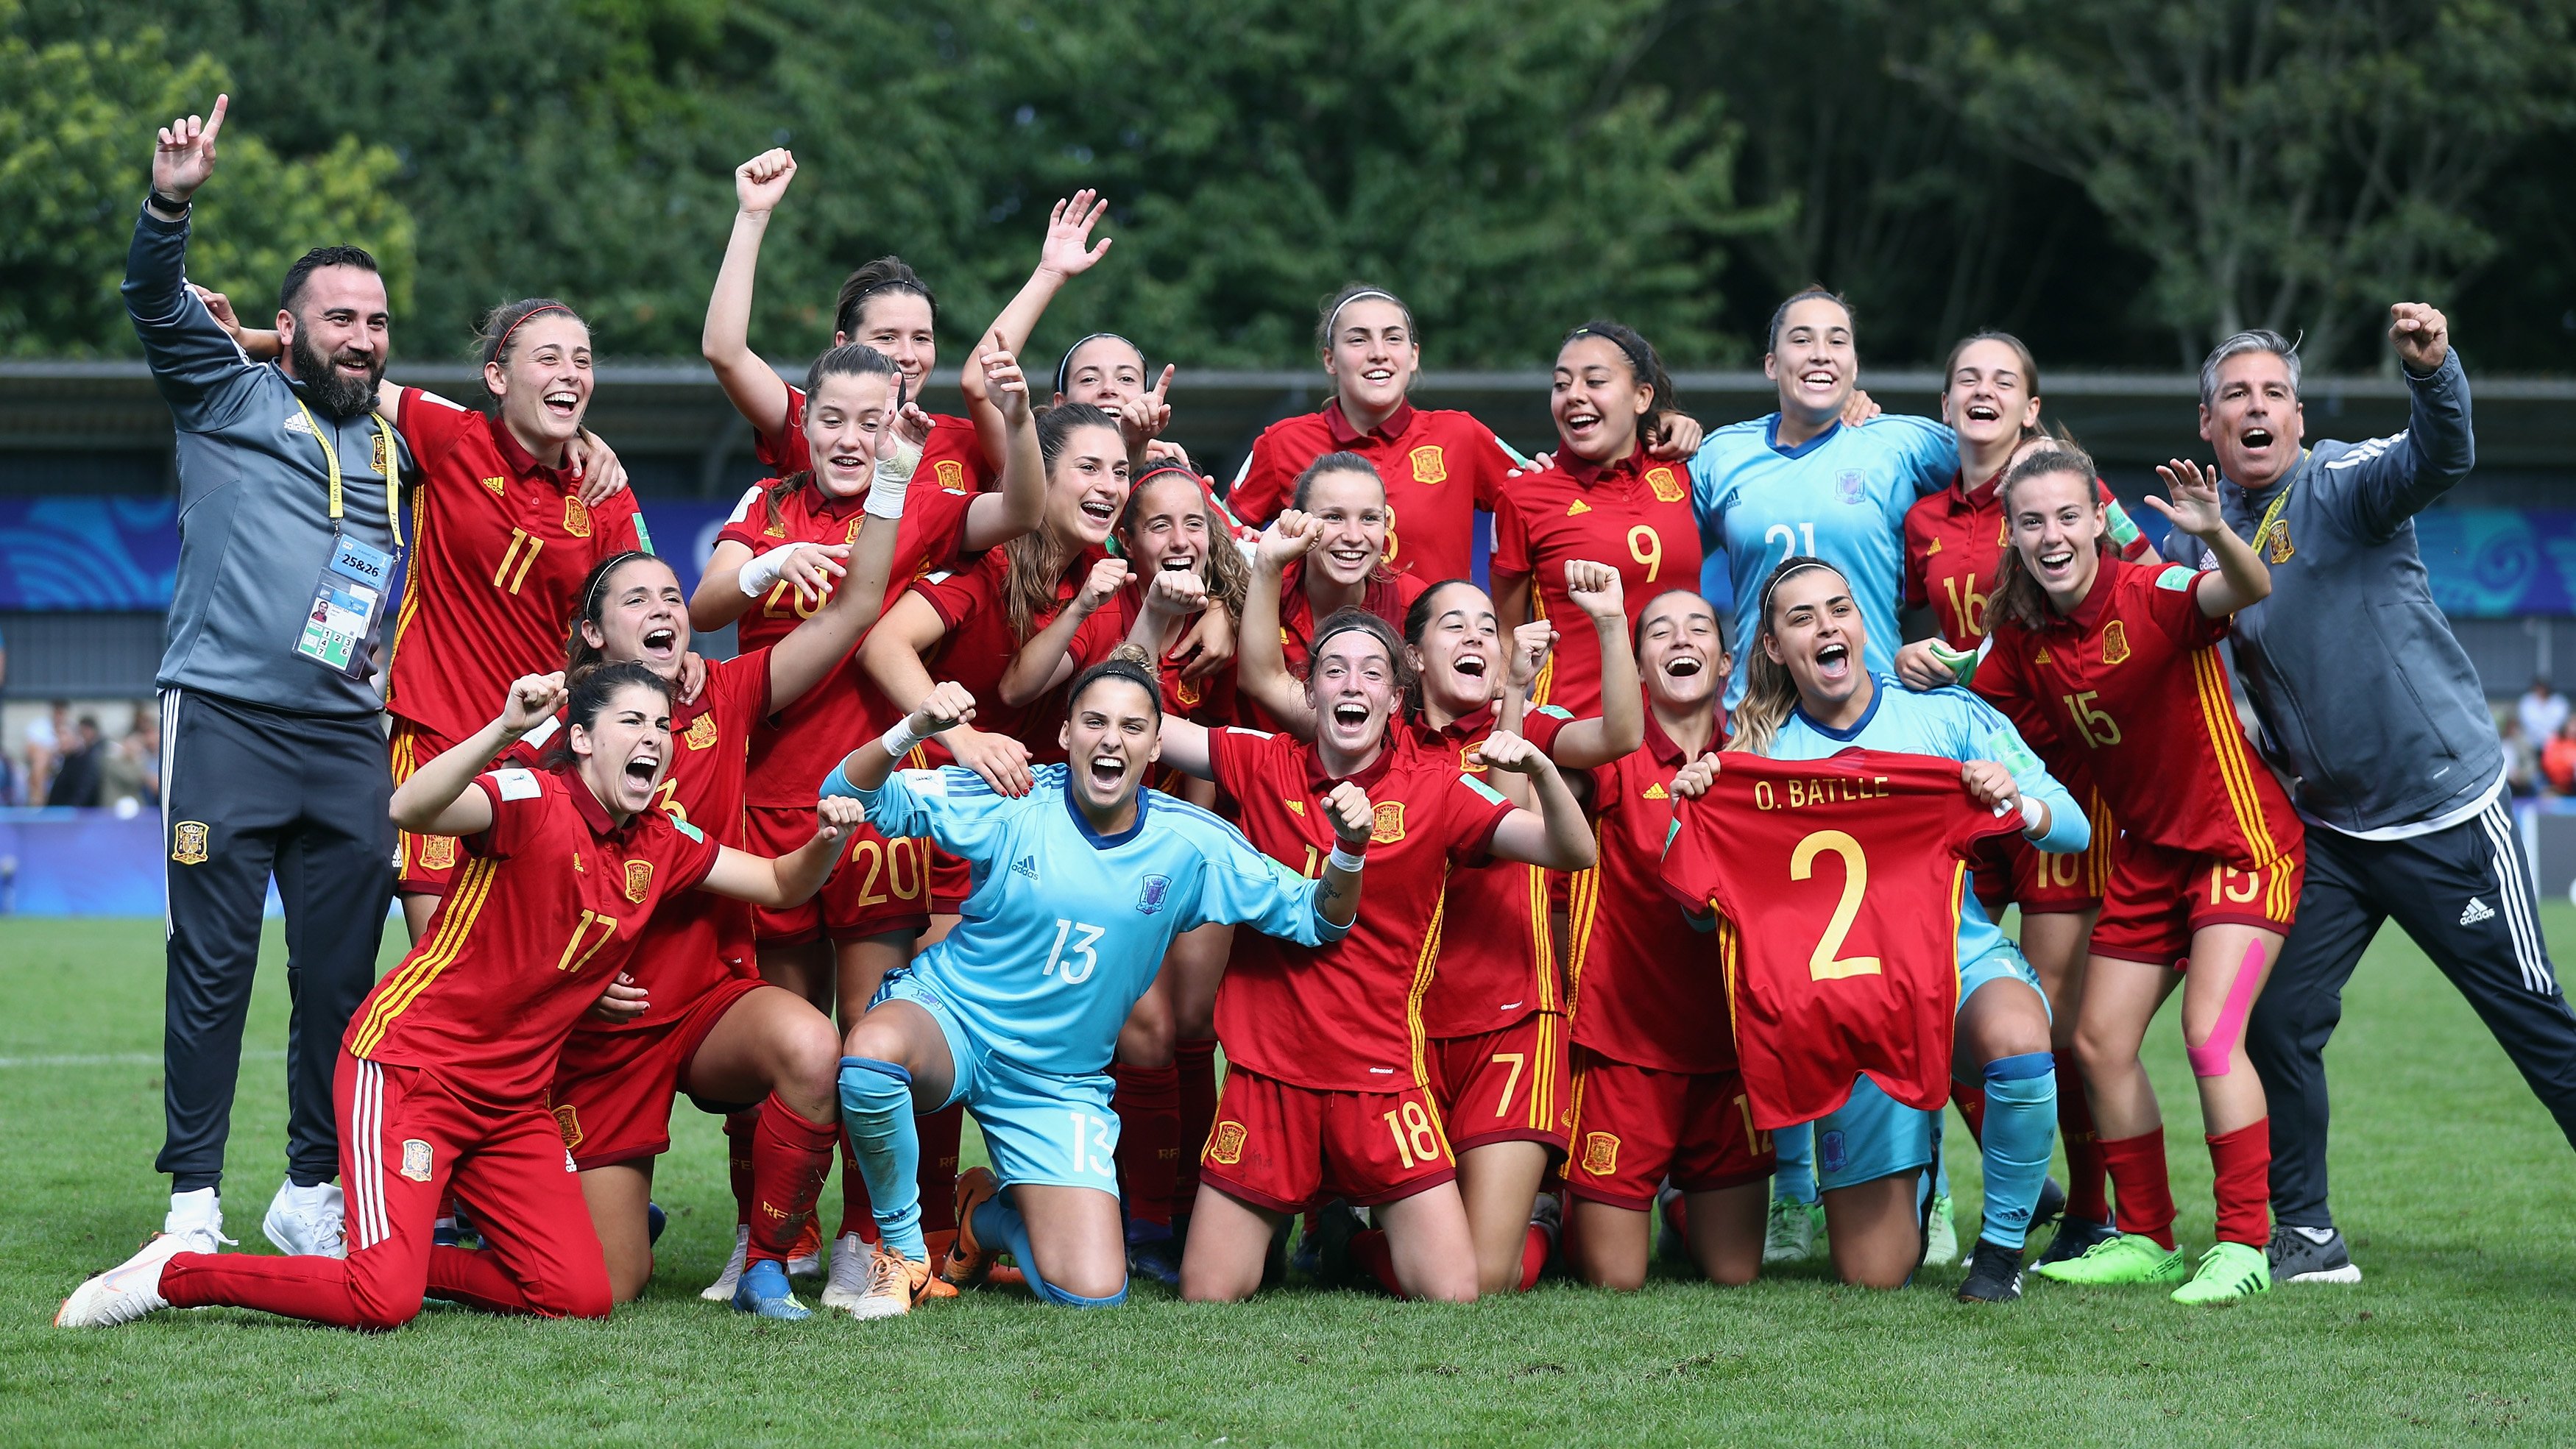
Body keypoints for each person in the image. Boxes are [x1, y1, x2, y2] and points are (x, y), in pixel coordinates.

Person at [57, 667, 862, 1331]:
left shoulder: (664, 841)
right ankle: (178, 1275)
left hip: (511, 1103)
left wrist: (825, 838)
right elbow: (410, 807)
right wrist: (504, 728)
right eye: (631, 720)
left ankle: (380, 1254)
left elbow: (781, 881)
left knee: (580, 1297)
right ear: (581, 739)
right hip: (410, 1071)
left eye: (661, 723)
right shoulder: (528, 797)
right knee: (383, 1302)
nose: (653, 735)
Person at [2154, 309, 2576, 1285]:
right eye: (2235, 397)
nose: (2256, 409)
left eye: (2272, 393)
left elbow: (2435, 458)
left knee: (2536, 1024)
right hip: (2333, 836)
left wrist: (2433, 376)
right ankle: (2306, 1233)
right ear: (2209, 425)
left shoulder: (2343, 482)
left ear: (2297, 416)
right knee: (2277, 1019)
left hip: (2445, 817)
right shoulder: (2214, 540)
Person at [820, 657, 1364, 1315]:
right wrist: (911, 731)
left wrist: (1351, 850)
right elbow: (858, 793)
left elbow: (1318, 917)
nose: (1112, 739)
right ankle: (905, 1253)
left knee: (1091, 1291)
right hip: (954, 1019)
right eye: (1095, 722)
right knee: (871, 1056)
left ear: (1157, 746)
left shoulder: (1192, 844)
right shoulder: (1012, 796)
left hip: (1058, 1081)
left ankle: (981, 1218)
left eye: (1133, 726)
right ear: (1068, 735)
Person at [688, 336, 1044, 1304]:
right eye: (830, 419)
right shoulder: (764, 506)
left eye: (870, 421)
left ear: (896, 424)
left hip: (886, 813)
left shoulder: (921, 502)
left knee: (870, 1038)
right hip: (772, 808)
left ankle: (867, 1241)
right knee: (782, 1039)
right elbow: (706, 599)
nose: (849, 438)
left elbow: (1023, 508)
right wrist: (767, 569)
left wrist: (1010, 412)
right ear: (802, 422)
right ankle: (768, 1236)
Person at [544, 394, 909, 1321]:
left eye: (676, 596)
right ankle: (535, 1203)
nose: (666, 609)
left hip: (705, 1003)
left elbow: (862, 601)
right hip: (600, 1030)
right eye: (638, 601)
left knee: (811, 1042)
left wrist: (893, 475)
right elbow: (508, 888)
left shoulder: (732, 690)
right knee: (601, 1285)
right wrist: (577, 972)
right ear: (593, 637)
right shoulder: (551, 733)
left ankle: (766, 1259)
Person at [121, 94, 406, 1264]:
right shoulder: (227, 394)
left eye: (379, 320)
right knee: (215, 966)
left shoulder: (395, 441)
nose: (363, 336)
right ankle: (193, 1198)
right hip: (228, 722)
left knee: (343, 978)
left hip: (348, 736)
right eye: (339, 317)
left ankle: (311, 1187)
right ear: (288, 330)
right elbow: (151, 300)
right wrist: (172, 201)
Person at [1667, 557, 2079, 1301]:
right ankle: (1919, 1162)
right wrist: (1691, 809)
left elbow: (2072, 829)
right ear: (1771, 648)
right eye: (1801, 618)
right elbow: (1695, 911)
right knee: (1870, 1272)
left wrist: (2012, 800)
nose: (1825, 626)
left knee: (2018, 1040)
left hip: (1954, 971)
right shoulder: (1755, 757)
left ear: (1862, 625)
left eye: (1838, 609)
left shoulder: (1943, 714)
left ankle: (1999, 1253)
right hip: (1847, 1016)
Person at [1240, 532, 1639, 1295]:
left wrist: (1607, 626)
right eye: (1453, 624)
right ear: (1411, 662)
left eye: (1487, 624)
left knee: (1481, 1273)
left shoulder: (1530, 724)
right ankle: (1339, 1219)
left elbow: (1617, 737)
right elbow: (1264, 677)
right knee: (1441, 1239)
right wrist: (1268, 566)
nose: (1478, 635)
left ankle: (1379, 1240)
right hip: (1404, 1024)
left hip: (1514, 1012)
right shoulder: (1375, 736)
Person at [1159, 611, 1596, 1303]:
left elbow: (1571, 851)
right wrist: (1155, 618)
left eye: (1372, 671)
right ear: (1310, 692)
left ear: (1397, 697)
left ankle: (1338, 1227)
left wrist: (1541, 767)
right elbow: (1132, 722)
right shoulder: (1262, 758)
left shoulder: (1438, 787)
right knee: (1209, 1294)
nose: (1351, 683)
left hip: (1382, 1077)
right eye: (1334, 669)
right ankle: (1279, 1220)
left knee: (1454, 1291)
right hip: (1269, 1076)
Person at [1963, 444, 2293, 1305]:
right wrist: (1926, 675)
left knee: (2209, 1035)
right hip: (2148, 856)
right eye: (2031, 521)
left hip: (2239, 843)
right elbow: (1975, 713)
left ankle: (2243, 1243)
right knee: (2096, 1042)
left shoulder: (2152, 592)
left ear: (2094, 522)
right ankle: (2146, 1236)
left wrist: (2215, 532)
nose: (2050, 535)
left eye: (2067, 516)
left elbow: (2247, 588)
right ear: (2012, 534)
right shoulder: (2022, 638)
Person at [1898, 339, 2153, 1265]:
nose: (1983, 392)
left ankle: (2090, 1210)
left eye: (2003, 380)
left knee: (2045, 1014)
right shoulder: (1922, 514)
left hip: (2053, 780)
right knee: (1926, 987)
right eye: (1966, 377)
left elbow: (2140, 586)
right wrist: (1901, 657)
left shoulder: (2070, 497)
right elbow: (1880, 621)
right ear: (1943, 402)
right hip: (1950, 781)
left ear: (2032, 408)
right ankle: (2024, 1182)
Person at [992, 460, 1248, 1280]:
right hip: (1098, 855)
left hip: (1190, 845)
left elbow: (1224, 747)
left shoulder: (1232, 624)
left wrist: (1196, 845)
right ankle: (1142, 1223)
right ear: (1125, 542)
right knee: (1141, 1028)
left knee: (1190, 1029)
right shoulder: (1104, 622)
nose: (1179, 539)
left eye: (1193, 522)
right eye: (1158, 525)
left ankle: (1189, 1210)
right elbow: (1027, 690)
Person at [1559, 589, 1772, 1291]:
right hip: (1626, 1047)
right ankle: (1554, 1203)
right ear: (1639, 668)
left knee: (1735, 1274)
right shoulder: (1612, 754)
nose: (1681, 639)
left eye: (1698, 628)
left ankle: (1681, 1198)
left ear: (1725, 661)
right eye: (1660, 631)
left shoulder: (1760, 759)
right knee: (1613, 1281)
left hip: (1728, 1053)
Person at [1688, 288, 1954, 710]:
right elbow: (1654, 540)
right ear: (1772, 365)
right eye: (1801, 339)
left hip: (1876, 713)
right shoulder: (1719, 456)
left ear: (1854, 366)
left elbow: (2007, 466)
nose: (1820, 353)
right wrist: (1653, 425)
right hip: (1758, 720)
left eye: (1837, 340)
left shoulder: (1899, 443)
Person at [1228, 286, 1534, 583]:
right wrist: (1253, 547)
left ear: (1414, 356)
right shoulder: (1283, 442)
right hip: (1324, 636)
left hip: (1435, 635)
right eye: (1359, 339)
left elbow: (1539, 499)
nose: (1378, 353)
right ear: (1330, 359)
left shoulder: (1461, 435)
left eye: (1393, 338)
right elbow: (1221, 526)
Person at [1491, 322, 1702, 720]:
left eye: (1595, 381)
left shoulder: (1683, 469)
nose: (1574, 396)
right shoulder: (1524, 496)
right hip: (1579, 734)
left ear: (1642, 396)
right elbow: (1508, 637)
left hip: (1682, 735)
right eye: (1561, 384)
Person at [43, 715, 103, 808]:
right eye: (57, 735)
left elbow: (81, 798)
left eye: (63, 734)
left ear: (76, 736)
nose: (59, 739)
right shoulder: (64, 762)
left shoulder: (84, 763)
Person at [2518, 676, 2569, 750]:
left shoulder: (2559, 702)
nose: (2541, 690)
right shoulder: (2527, 702)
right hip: (2531, 740)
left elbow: (2559, 724)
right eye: (2539, 687)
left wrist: (2550, 737)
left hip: (2555, 740)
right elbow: (2529, 724)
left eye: (2544, 687)